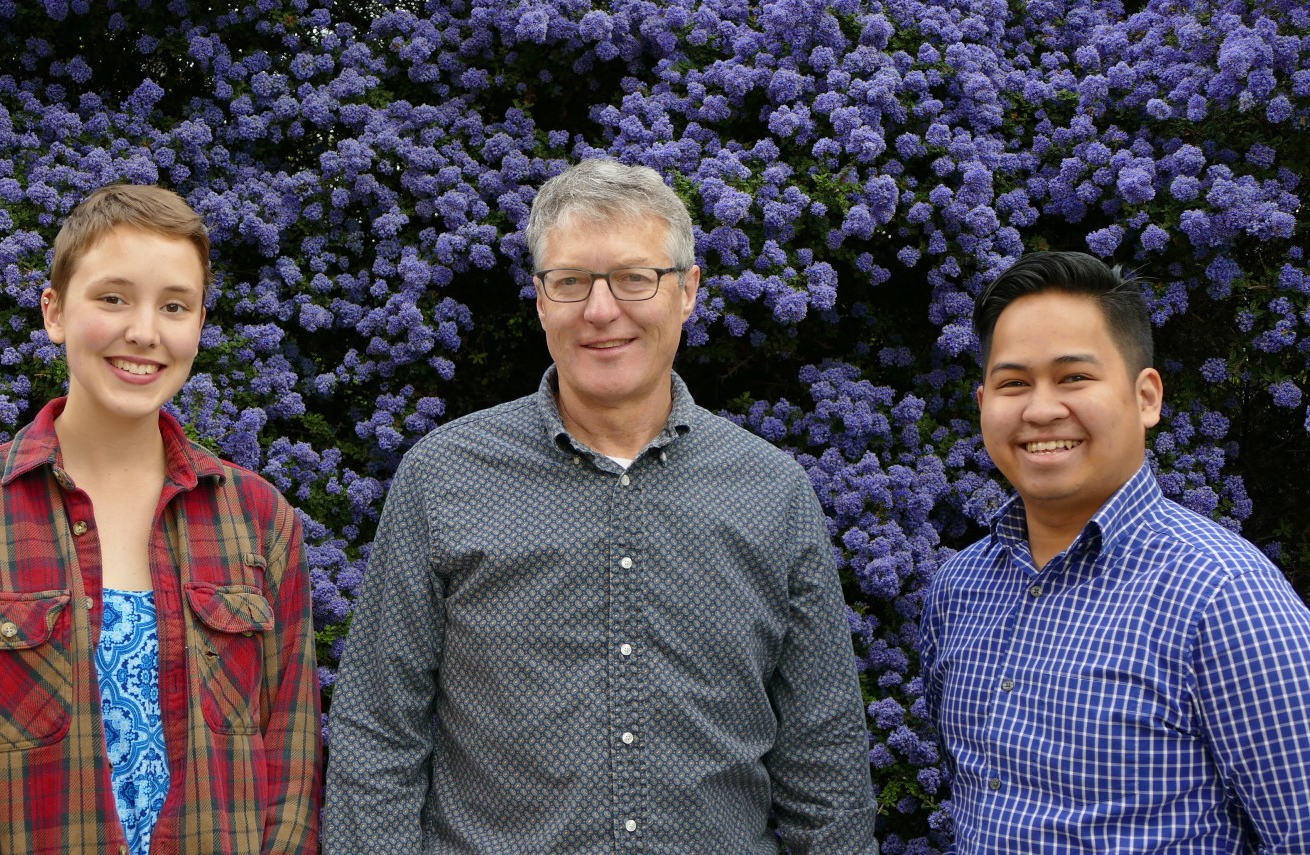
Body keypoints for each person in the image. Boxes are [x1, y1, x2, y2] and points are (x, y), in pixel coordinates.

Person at [322, 159, 875, 853]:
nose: (602, 309)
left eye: (635, 278)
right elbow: (378, 732)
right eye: (572, 281)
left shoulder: (772, 492)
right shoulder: (443, 478)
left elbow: (824, 761)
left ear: (688, 291)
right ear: (541, 298)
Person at [0, 184, 321, 854]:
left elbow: (291, 763)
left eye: (174, 306)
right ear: (54, 311)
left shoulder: (259, 521)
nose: (144, 331)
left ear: (198, 323)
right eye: (113, 297)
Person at [919, 251, 1310, 851]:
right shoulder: (959, 589)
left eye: (1074, 377)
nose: (1041, 409)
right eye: (1013, 383)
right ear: (983, 405)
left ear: (1147, 397)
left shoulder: (1224, 596)